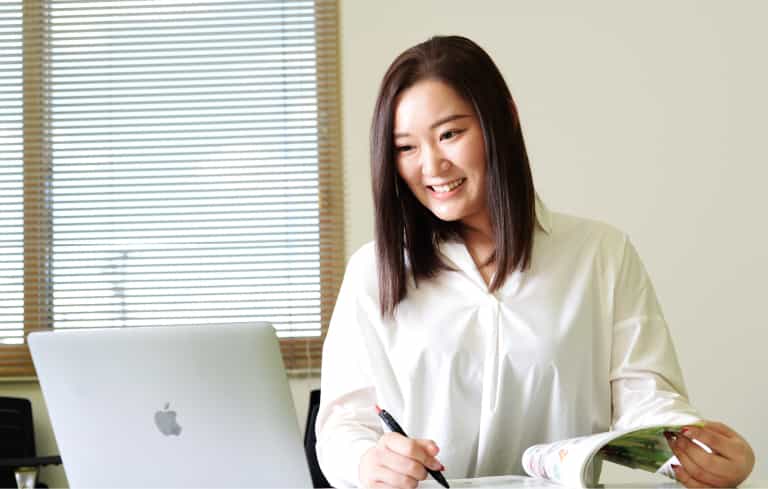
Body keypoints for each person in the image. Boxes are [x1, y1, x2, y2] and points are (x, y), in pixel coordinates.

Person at [315, 35, 754, 489]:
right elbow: (341, 428)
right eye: (406, 148)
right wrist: (367, 462)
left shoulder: (601, 254)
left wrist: (702, 451)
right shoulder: (374, 272)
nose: (432, 166)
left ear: (505, 118)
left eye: (449, 135)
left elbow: (647, 400)